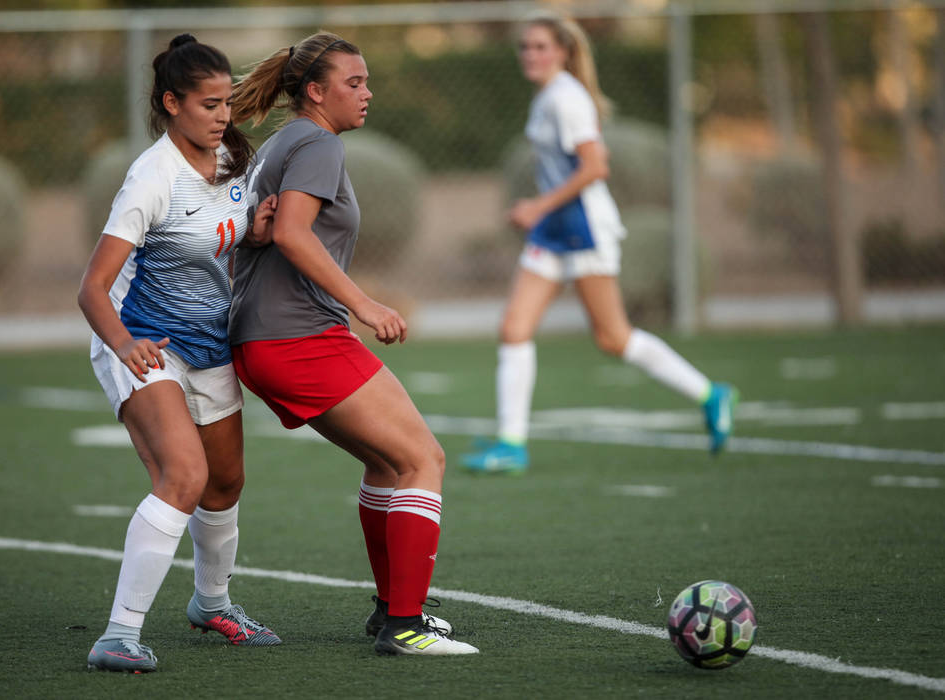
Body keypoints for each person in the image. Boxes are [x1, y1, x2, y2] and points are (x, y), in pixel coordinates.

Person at [226, 32, 478, 656]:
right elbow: (292, 233)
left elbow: (261, 233)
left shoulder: (283, 141)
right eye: (354, 83)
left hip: (265, 337)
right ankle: (405, 626)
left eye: (367, 82)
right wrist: (364, 303)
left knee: (388, 464)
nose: (367, 93)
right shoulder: (317, 142)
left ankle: (392, 610)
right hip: (297, 336)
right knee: (423, 460)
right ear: (315, 92)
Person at [78, 34, 281, 674]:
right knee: (184, 477)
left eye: (227, 103)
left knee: (225, 484)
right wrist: (124, 343)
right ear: (172, 103)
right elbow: (91, 288)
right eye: (209, 105)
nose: (223, 116)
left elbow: (218, 237)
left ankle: (211, 604)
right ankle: (117, 635)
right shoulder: (152, 176)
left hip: (209, 342)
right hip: (142, 341)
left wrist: (255, 232)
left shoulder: (233, 160)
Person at [461, 13, 737, 474]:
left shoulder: (566, 98)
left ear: (564, 52)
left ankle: (711, 394)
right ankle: (512, 444)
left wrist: (537, 206)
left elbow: (595, 166)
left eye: (541, 47)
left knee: (613, 337)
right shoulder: (548, 95)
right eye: (525, 47)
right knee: (514, 328)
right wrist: (543, 211)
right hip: (554, 229)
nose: (530, 54)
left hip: (585, 228)